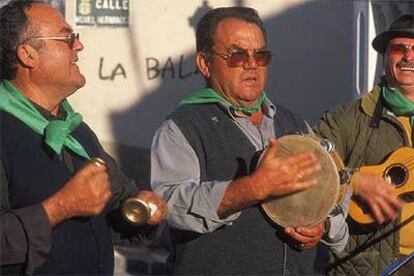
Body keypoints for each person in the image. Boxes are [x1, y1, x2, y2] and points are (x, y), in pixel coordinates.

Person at [151, 6, 349, 275]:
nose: (252, 63)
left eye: (261, 54)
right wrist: (252, 188)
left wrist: (322, 226)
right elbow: (169, 204)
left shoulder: (294, 123)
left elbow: (331, 191)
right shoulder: (181, 128)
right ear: (205, 64)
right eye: (237, 55)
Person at [0, 1, 167, 275]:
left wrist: (142, 210)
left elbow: (117, 202)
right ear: (28, 54)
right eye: (67, 37)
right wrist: (60, 208)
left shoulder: (76, 130)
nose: (78, 46)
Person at [315, 14, 414, 275]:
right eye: (399, 48)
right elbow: (307, 168)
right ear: (385, 57)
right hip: (366, 266)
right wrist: (354, 182)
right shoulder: (348, 118)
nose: (409, 57)